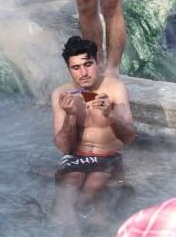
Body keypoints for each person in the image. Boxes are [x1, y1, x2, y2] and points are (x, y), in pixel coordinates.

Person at [51, 36, 135, 220]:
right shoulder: (61, 94)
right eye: (76, 68)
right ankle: (63, 233)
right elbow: (64, 147)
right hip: (75, 157)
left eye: (88, 64)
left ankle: (85, 222)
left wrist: (110, 116)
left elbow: (129, 137)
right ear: (69, 69)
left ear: (97, 62)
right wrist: (71, 116)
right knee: (70, 184)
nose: (84, 73)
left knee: (95, 183)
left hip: (107, 156)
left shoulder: (115, 88)